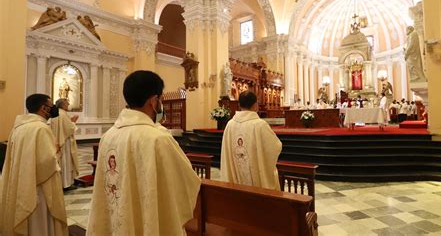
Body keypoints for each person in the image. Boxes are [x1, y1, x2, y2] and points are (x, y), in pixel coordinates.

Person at [87, 71, 200, 235]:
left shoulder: (108, 136)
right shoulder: (158, 139)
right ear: (154, 101)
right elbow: (186, 181)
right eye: (161, 99)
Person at [0, 94, 68, 235]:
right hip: (39, 189)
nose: (53, 109)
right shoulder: (41, 128)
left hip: (21, 183)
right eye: (51, 106)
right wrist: (57, 153)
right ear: (43, 108)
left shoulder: (18, 128)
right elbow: (47, 163)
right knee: (39, 224)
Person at [220, 91, 282, 190]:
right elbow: (275, 147)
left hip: (235, 185)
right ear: (255, 105)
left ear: (239, 105)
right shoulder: (260, 125)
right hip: (258, 187)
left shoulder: (230, 125)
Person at [51, 98, 79, 190]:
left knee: (61, 163)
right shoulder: (63, 114)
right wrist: (74, 122)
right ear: (62, 105)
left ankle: (60, 183)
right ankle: (66, 184)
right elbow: (69, 128)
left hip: (57, 141)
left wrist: (70, 121)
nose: (68, 105)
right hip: (65, 143)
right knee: (66, 163)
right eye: (67, 104)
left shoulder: (56, 114)